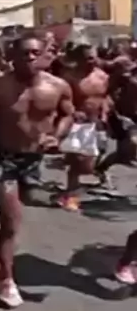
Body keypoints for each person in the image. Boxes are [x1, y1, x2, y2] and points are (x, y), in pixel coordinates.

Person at [0, 34, 74, 307]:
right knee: (12, 222)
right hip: (3, 159)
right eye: (23, 53)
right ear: (11, 57)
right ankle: (6, 279)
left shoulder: (58, 86)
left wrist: (56, 136)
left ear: (43, 55)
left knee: (27, 201)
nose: (29, 57)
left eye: (34, 52)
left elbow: (67, 114)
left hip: (35, 160)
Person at [60, 44, 110, 209]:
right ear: (79, 59)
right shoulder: (70, 77)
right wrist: (73, 111)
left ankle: (80, 184)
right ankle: (70, 197)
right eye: (88, 58)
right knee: (78, 161)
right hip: (79, 124)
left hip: (98, 122)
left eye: (94, 57)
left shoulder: (102, 76)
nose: (92, 61)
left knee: (92, 160)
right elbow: (63, 100)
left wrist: (105, 113)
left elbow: (105, 97)